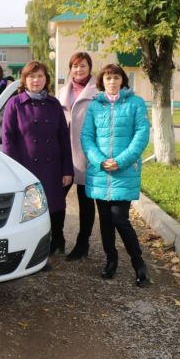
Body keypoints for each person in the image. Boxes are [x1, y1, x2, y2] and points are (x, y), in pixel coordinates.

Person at [81, 64, 150, 287]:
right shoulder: (95, 106)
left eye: (116, 77)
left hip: (124, 172)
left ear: (122, 80)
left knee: (120, 218)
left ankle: (138, 264)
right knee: (105, 222)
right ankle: (111, 262)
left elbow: (141, 135)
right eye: (108, 78)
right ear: (103, 81)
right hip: (100, 172)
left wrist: (120, 161)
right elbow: (87, 137)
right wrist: (100, 160)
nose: (112, 81)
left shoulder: (135, 103)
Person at [2, 61, 73, 255]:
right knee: (31, 210)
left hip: (53, 165)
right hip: (27, 167)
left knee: (56, 206)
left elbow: (64, 138)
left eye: (40, 76)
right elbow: (8, 139)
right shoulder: (15, 104)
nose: (36, 80)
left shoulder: (54, 104)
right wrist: (16, 170)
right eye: (31, 76)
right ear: (24, 80)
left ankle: (58, 239)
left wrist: (67, 169)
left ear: (46, 80)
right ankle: (35, 248)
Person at [57, 52, 99, 261]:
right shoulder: (63, 91)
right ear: (70, 68)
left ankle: (83, 243)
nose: (79, 70)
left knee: (85, 201)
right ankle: (57, 239)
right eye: (75, 66)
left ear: (89, 68)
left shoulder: (97, 91)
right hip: (64, 154)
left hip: (86, 154)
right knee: (56, 198)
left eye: (83, 66)